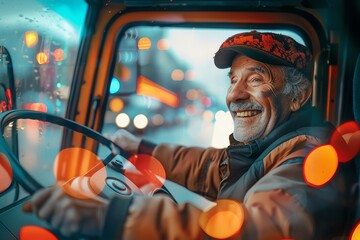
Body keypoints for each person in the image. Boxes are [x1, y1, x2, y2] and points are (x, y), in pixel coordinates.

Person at [26, 31, 350, 239]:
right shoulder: (272, 146)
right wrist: (140, 146)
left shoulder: (308, 158)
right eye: (232, 80)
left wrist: (111, 217)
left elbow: (259, 229)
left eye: (255, 80)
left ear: (297, 96)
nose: (234, 95)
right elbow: (211, 167)